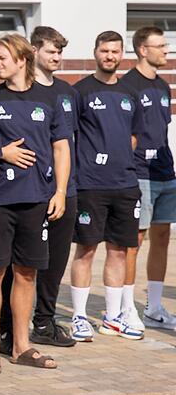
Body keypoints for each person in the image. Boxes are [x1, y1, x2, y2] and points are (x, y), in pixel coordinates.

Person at [0, 33, 70, 372]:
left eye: (2, 57)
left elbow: (61, 147)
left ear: (21, 60)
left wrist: (59, 191)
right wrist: (1, 152)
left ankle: (21, 345)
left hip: (36, 200)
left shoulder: (51, 99)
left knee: (27, 273)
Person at [0, 27, 79, 350]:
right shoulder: (3, 97)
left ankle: (43, 321)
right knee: (14, 266)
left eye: (60, 51)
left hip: (62, 190)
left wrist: (64, 188)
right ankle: (8, 327)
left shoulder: (66, 93)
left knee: (54, 261)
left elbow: (67, 145)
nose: (57, 57)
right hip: (19, 194)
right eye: (51, 51)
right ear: (32, 53)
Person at [69, 31, 145, 341]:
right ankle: (78, 317)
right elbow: (68, 138)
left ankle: (113, 317)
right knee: (86, 250)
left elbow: (133, 135)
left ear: (122, 54)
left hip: (125, 184)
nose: (109, 56)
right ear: (96, 52)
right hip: (91, 185)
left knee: (119, 251)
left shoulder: (129, 93)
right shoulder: (81, 92)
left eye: (115, 51)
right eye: (104, 51)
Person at [122, 26, 176, 330]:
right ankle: (127, 307)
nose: (166, 51)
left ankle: (154, 307)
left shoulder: (163, 86)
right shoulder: (128, 85)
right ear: (143, 49)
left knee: (163, 237)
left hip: (165, 173)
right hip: (139, 173)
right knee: (134, 240)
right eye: (161, 46)